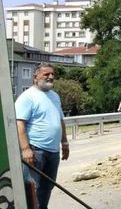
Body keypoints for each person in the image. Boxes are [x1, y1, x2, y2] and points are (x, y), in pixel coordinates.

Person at [15, 62, 69, 209]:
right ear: (35, 76)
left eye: (52, 74)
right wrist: (26, 149)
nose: (51, 77)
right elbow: (20, 123)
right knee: (32, 189)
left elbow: (60, 120)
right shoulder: (28, 97)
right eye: (46, 74)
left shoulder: (55, 96)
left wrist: (65, 143)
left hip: (53, 151)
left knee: (47, 188)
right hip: (35, 150)